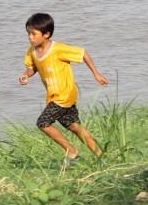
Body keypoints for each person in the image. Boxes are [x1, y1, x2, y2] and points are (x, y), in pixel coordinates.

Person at [18, 12, 108, 165]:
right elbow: (33, 67)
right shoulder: (32, 51)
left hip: (64, 94)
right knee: (74, 126)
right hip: (54, 96)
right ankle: (102, 156)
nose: (30, 37)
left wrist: (96, 74)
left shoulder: (58, 49)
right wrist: (26, 75)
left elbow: (83, 53)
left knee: (43, 122)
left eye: (33, 34)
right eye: (28, 33)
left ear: (46, 34)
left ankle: (71, 150)